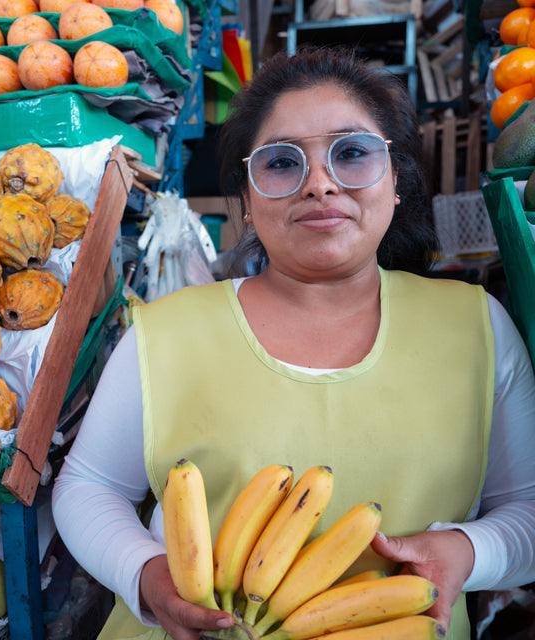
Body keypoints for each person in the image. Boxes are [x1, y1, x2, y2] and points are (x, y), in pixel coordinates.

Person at [52, 45, 535, 640]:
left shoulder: (476, 328)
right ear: (249, 202)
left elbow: (529, 510)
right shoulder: (164, 334)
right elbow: (87, 489)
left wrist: (469, 550)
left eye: (352, 153)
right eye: (282, 164)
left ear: (397, 181)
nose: (319, 185)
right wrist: (147, 575)